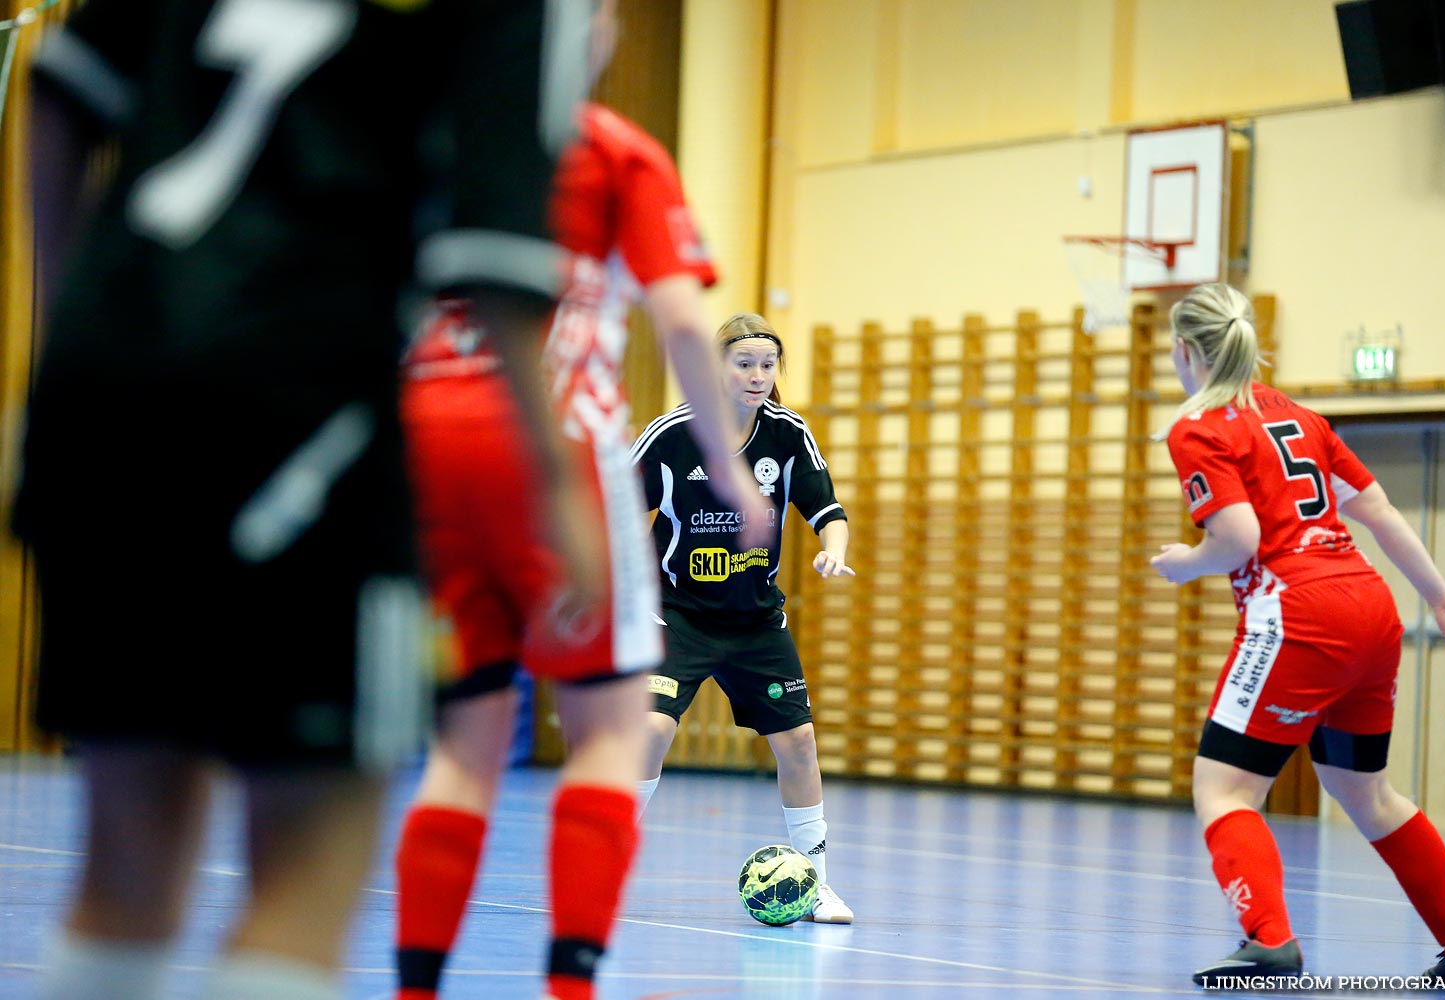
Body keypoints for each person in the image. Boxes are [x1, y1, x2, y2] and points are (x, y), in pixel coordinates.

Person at [13, 2, 596, 999]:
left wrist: (72, 331)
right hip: (308, 414)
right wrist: (559, 484)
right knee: (305, 877)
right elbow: (494, 253)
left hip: (102, 393)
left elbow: (61, 98)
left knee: (122, 873)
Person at [389, 10, 770, 1000]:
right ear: (591, 28)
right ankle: (571, 984)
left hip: (427, 435)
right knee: (606, 727)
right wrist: (727, 469)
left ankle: (415, 985)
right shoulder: (613, 149)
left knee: (463, 741)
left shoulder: (430, 133)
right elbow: (683, 317)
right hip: (552, 435)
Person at [1149, 283, 1445, 988]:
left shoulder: (1197, 427)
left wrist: (1187, 565)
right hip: (1370, 609)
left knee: (1224, 792)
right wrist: (1443, 599)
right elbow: (1378, 508)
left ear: (1185, 351)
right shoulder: (1301, 416)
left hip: (1299, 616)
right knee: (1367, 794)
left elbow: (1239, 537)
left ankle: (1270, 941)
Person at [630, 311, 857, 924]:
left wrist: (833, 552)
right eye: (745, 363)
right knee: (651, 731)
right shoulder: (672, 436)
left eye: (767, 364)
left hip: (756, 620)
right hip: (674, 614)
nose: (758, 375)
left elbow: (826, 509)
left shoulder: (786, 435)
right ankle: (603, 867)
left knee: (800, 742)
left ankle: (815, 885)